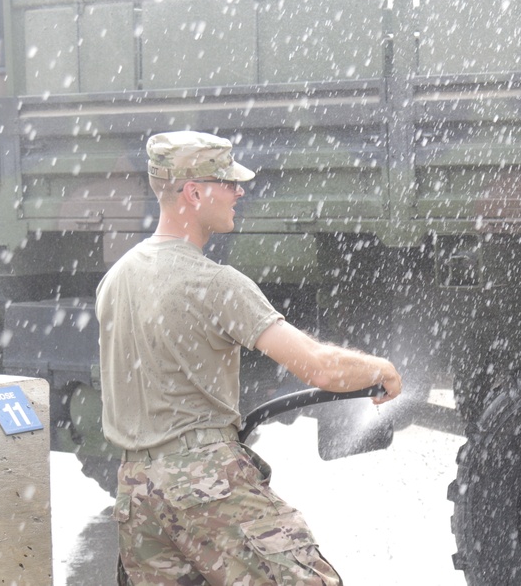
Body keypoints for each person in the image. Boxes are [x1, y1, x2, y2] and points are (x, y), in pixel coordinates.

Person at [97, 130, 402, 586]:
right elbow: (319, 366)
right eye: (227, 182)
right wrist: (381, 369)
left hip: (137, 490)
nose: (239, 191)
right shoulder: (216, 283)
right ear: (193, 192)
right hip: (205, 482)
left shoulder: (116, 280)